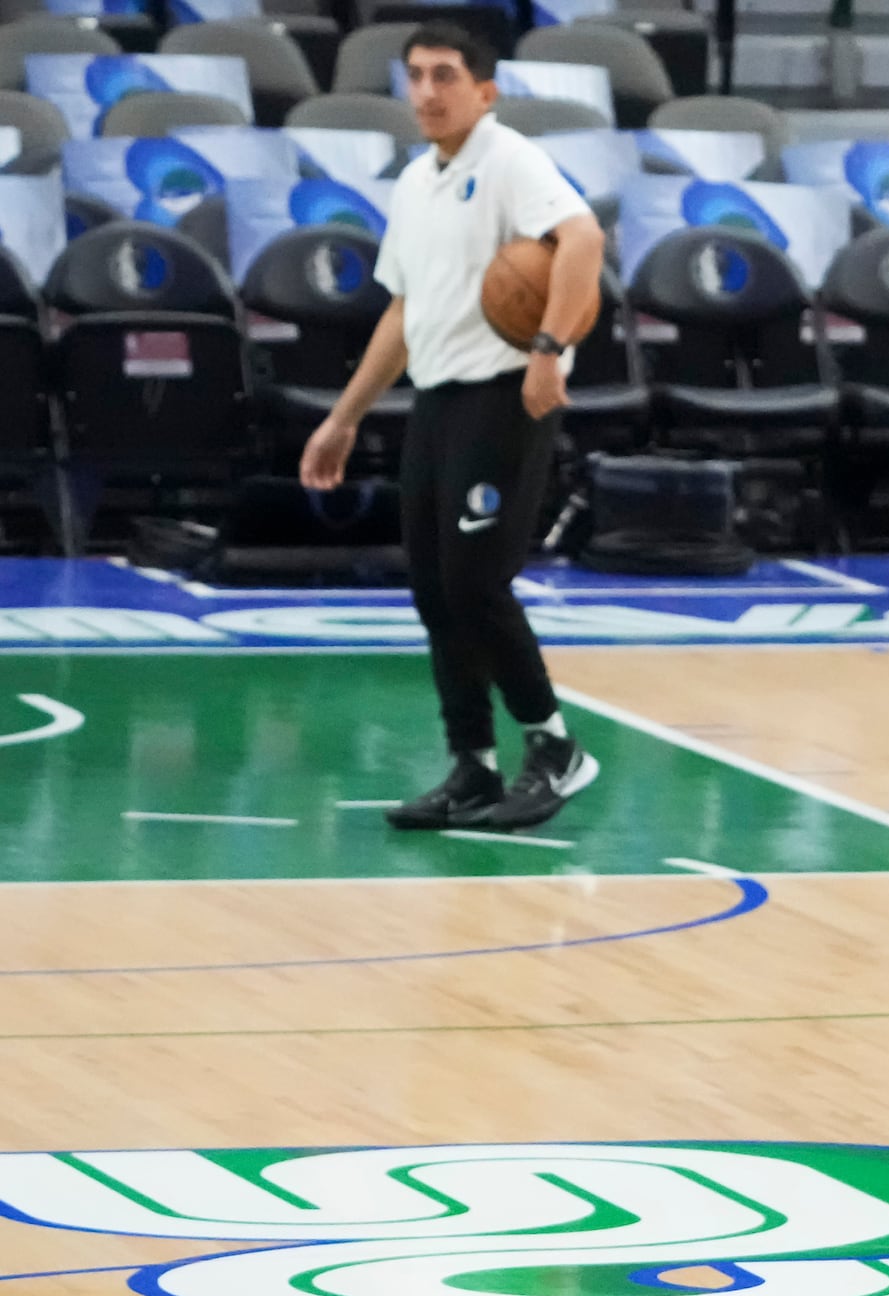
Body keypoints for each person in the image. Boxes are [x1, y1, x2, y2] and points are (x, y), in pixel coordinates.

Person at [299, 23, 605, 830]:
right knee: (435, 591)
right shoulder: (414, 181)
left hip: (503, 397)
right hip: (436, 401)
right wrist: (343, 417)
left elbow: (584, 238)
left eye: (444, 76)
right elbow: (403, 312)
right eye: (416, 76)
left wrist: (550, 347)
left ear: (485, 91)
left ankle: (557, 749)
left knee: (476, 581)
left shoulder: (510, 160)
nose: (428, 92)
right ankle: (473, 764)